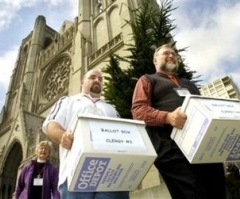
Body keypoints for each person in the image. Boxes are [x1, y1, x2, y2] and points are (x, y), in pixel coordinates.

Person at [131, 44, 226, 199]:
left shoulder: (189, 83)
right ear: (155, 60)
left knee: (217, 192)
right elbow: (139, 111)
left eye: (174, 54)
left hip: (203, 149)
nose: (171, 56)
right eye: (166, 53)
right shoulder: (147, 80)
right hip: (172, 150)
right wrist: (167, 117)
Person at [42, 69, 129, 199]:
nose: (97, 80)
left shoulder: (111, 108)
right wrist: (62, 136)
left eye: (100, 79)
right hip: (76, 173)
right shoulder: (67, 101)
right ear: (82, 82)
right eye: (92, 77)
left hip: (111, 174)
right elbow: (51, 124)